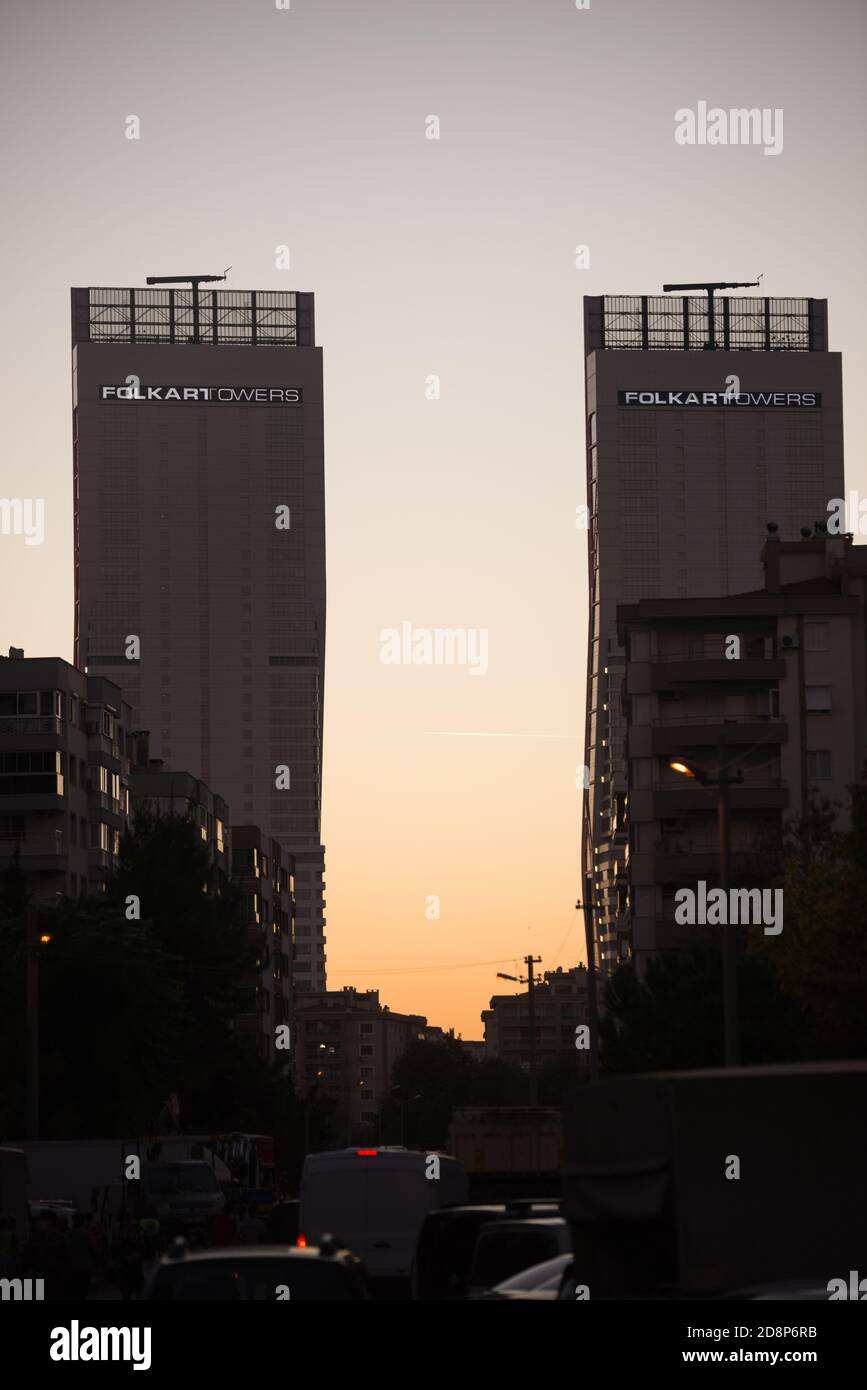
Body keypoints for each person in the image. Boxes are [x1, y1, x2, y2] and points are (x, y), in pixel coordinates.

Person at [66, 1212, 95, 1300]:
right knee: (82, 1293)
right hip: (84, 1268)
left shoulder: (68, 1234)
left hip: (71, 1267)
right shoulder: (87, 1235)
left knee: (73, 1293)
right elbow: (93, 1250)